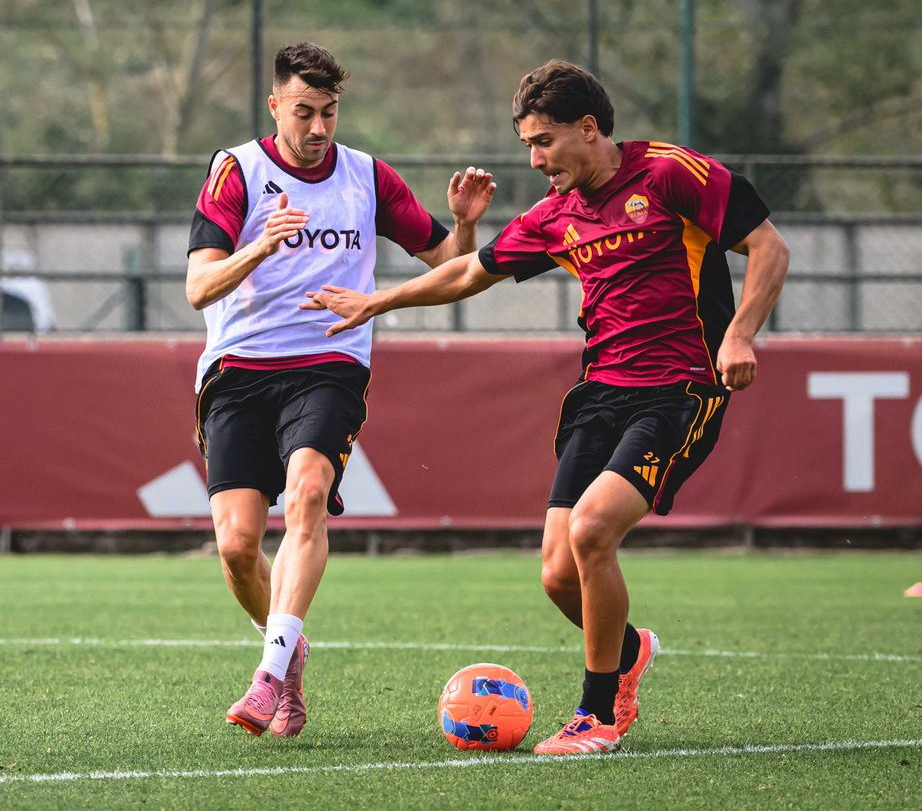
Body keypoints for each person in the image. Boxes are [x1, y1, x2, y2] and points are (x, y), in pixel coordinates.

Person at [302, 59, 789, 754]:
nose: (534, 159)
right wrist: (377, 300)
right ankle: (627, 652)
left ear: (589, 130)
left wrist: (740, 333)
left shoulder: (672, 174)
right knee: (559, 574)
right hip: (600, 397)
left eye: (545, 142)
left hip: (679, 390)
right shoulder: (553, 215)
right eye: (527, 143)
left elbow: (768, 246)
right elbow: (472, 270)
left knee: (592, 532)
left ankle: (597, 714)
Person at [186, 41, 495, 737]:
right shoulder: (238, 171)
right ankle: (289, 648)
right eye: (304, 112)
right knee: (237, 545)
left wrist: (467, 222)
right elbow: (198, 286)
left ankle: (267, 676)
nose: (319, 127)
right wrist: (261, 245)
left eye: (328, 112)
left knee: (307, 494)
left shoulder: (367, 176)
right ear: (275, 108)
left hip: (329, 363)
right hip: (238, 368)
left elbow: (450, 264)